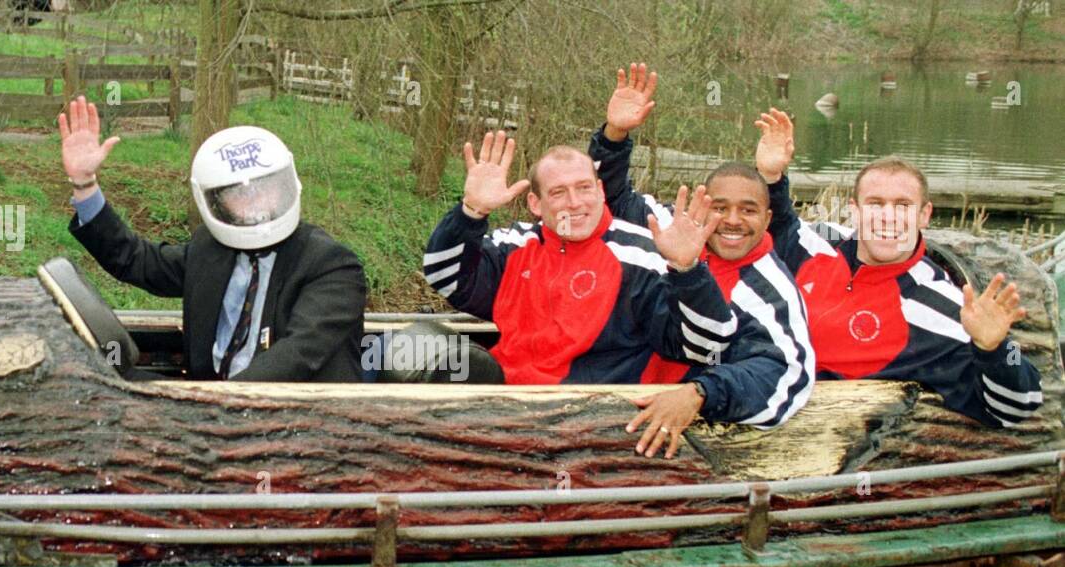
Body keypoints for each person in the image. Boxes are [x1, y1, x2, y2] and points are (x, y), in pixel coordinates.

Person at [422, 128, 739, 458]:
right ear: (535, 202)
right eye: (558, 192)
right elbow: (445, 277)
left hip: (593, 430)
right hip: (506, 413)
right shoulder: (515, 246)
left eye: (584, 188)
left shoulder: (642, 257)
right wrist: (471, 212)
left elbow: (708, 347)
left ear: (601, 191)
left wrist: (688, 271)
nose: (575, 203)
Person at [754, 108, 1043, 427]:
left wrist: (993, 349)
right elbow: (778, 227)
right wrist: (770, 177)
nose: (888, 217)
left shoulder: (939, 307)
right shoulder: (820, 243)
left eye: (902, 206)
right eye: (875, 203)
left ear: (924, 215)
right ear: (855, 210)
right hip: (741, 384)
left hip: (816, 444)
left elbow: (1019, 409)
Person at [58, 95, 366, 382]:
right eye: (240, 194)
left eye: (265, 188)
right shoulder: (210, 248)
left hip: (304, 422)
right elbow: (136, 260)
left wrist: (208, 405)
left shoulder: (332, 266)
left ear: (286, 185)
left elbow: (295, 356)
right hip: (210, 412)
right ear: (217, 202)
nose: (257, 203)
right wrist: (85, 184)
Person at [588, 64, 815, 441]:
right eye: (720, 207)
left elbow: (787, 373)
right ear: (702, 204)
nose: (732, 221)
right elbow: (611, 201)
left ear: (768, 216)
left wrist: (700, 393)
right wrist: (615, 136)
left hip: (684, 426)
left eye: (748, 210)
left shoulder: (771, 290)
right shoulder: (675, 230)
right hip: (628, 393)